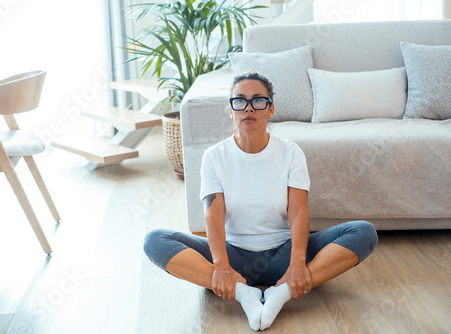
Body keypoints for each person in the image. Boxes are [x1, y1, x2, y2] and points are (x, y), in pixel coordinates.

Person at [144, 71, 378, 331]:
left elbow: (299, 211)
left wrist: (297, 264)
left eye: (258, 100)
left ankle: (284, 290)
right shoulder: (214, 156)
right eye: (240, 101)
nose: (248, 108)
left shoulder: (291, 152)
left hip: (284, 254)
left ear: (270, 109)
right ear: (230, 110)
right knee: (155, 240)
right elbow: (213, 213)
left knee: (363, 232)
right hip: (233, 257)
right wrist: (221, 266)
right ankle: (244, 293)